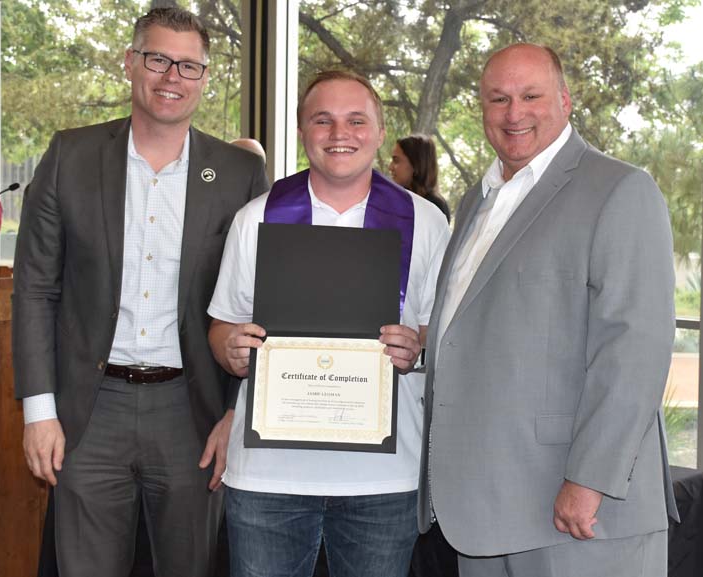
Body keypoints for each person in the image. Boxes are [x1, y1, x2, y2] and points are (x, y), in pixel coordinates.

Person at [11, 7, 268, 577]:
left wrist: (237, 413)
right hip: (87, 411)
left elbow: (258, 304)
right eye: (158, 59)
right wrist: (38, 412)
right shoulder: (70, 157)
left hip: (193, 414)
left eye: (188, 65)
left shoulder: (239, 174)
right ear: (131, 64)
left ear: (205, 77)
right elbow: (34, 289)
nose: (171, 76)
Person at [418, 43, 678, 577]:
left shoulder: (621, 190)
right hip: (484, 511)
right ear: (482, 109)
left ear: (565, 99)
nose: (514, 113)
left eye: (531, 95)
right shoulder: (476, 201)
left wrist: (591, 479)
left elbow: (635, 348)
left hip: (577, 512)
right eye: (498, 99)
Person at [208, 70, 450, 577]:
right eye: (323, 120)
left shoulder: (426, 222)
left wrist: (416, 346)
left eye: (356, 120)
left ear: (381, 132)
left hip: (382, 482)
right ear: (302, 131)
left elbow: (441, 333)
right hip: (268, 479)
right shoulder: (256, 217)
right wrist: (229, 347)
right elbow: (222, 326)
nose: (340, 134)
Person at [389, 134, 450, 222]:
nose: (390, 167)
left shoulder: (434, 207)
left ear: (416, 164)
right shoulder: (400, 201)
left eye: (396, 160)